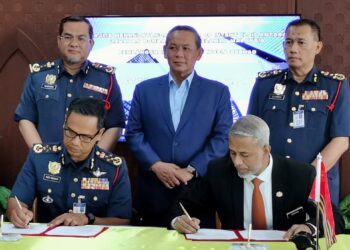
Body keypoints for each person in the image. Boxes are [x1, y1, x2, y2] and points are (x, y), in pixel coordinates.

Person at [125, 25, 233, 226]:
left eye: (186, 48)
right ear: (165, 51)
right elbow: (133, 132)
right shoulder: (144, 89)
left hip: (196, 189)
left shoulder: (217, 91)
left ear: (199, 54)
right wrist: (156, 165)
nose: (179, 54)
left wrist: (191, 169)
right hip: (153, 188)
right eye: (173, 48)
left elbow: (223, 137)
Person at [247, 18, 350, 205]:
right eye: (288, 42)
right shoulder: (265, 84)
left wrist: (307, 177)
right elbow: (251, 134)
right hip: (270, 183)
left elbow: (341, 141)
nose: (293, 48)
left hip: (316, 185)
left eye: (301, 42)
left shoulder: (335, 86)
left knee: (312, 233)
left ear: (318, 47)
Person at [171, 115, 317, 240]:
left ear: (266, 150)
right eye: (232, 153)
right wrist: (178, 220)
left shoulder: (300, 174)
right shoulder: (219, 171)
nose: (236, 162)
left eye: (244, 154)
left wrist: (309, 227)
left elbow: (331, 217)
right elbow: (182, 205)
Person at [7, 98, 132, 227]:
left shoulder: (114, 168)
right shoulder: (40, 158)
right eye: (70, 132)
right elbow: (16, 201)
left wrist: (87, 219)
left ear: (99, 134)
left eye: (85, 137)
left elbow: (122, 221)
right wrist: (17, 213)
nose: (75, 142)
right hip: (48, 239)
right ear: (64, 125)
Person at [14, 15, 125, 151]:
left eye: (81, 38)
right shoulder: (38, 76)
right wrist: (41, 155)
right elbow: (25, 119)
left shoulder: (106, 79)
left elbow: (115, 125)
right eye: (68, 37)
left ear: (91, 43)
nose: (74, 43)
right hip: (46, 163)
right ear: (59, 41)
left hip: (90, 167)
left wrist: (94, 159)